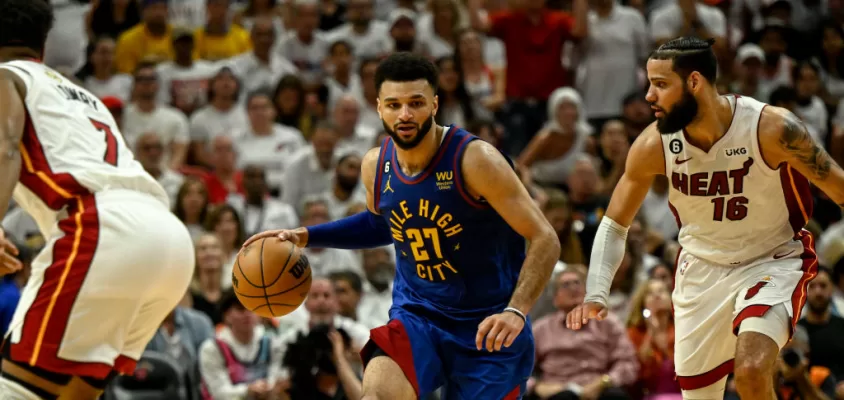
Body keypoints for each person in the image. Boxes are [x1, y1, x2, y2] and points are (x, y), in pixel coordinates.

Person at [245, 52, 561, 399]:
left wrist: (517, 310)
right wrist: (306, 235)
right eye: (394, 105)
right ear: (379, 108)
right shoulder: (376, 165)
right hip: (419, 316)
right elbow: (383, 225)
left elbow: (545, 238)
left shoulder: (476, 160)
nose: (405, 114)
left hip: (488, 323)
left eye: (416, 103)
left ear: (435, 105)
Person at [567, 36, 844, 400]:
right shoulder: (654, 146)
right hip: (700, 270)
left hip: (771, 260)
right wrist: (597, 290)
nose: (649, 96)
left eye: (661, 84)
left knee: (750, 370)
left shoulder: (772, 129)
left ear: (694, 82)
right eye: (650, 84)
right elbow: (615, 222)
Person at [0, 1, 195, 399]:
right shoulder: (80, 94)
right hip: (167, 240)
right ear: (42, 43)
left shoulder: (5, 77)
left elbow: (4, 147)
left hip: (102, 230)